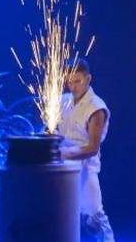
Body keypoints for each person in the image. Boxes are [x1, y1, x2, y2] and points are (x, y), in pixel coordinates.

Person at [57, 58, 115, 242]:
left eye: (77, 82)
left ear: (88, 79)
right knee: (64, 212)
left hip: (84, 166)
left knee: (93, 213)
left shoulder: (96, 107)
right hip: (61, 164)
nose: (72, 87)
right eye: (69, 82)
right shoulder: (63, 101)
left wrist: (62, 154)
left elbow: (92, 147)